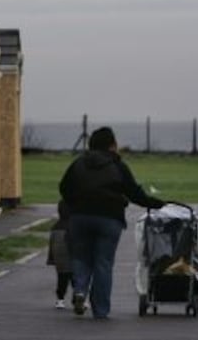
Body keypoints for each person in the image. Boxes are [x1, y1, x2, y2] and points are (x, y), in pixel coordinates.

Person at [59, 126, 165, 319]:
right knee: (103, 263)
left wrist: (75, 205)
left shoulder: (78, 163)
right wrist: (159, 204)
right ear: (112, 145)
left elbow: (64, 187)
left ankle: (80, 290)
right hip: (109, 219)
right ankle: (100, 311)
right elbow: (135, 194)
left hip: (79, 218)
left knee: (81, 257)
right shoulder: (118, 166)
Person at [45, 200, 74, 309]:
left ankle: (60, 299)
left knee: (62, 276)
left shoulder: (55, 228)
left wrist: (51, 259)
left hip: (59, 254)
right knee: (76, 275)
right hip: (73, 250)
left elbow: (51, 245)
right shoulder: (76, 225)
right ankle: (79, 297)